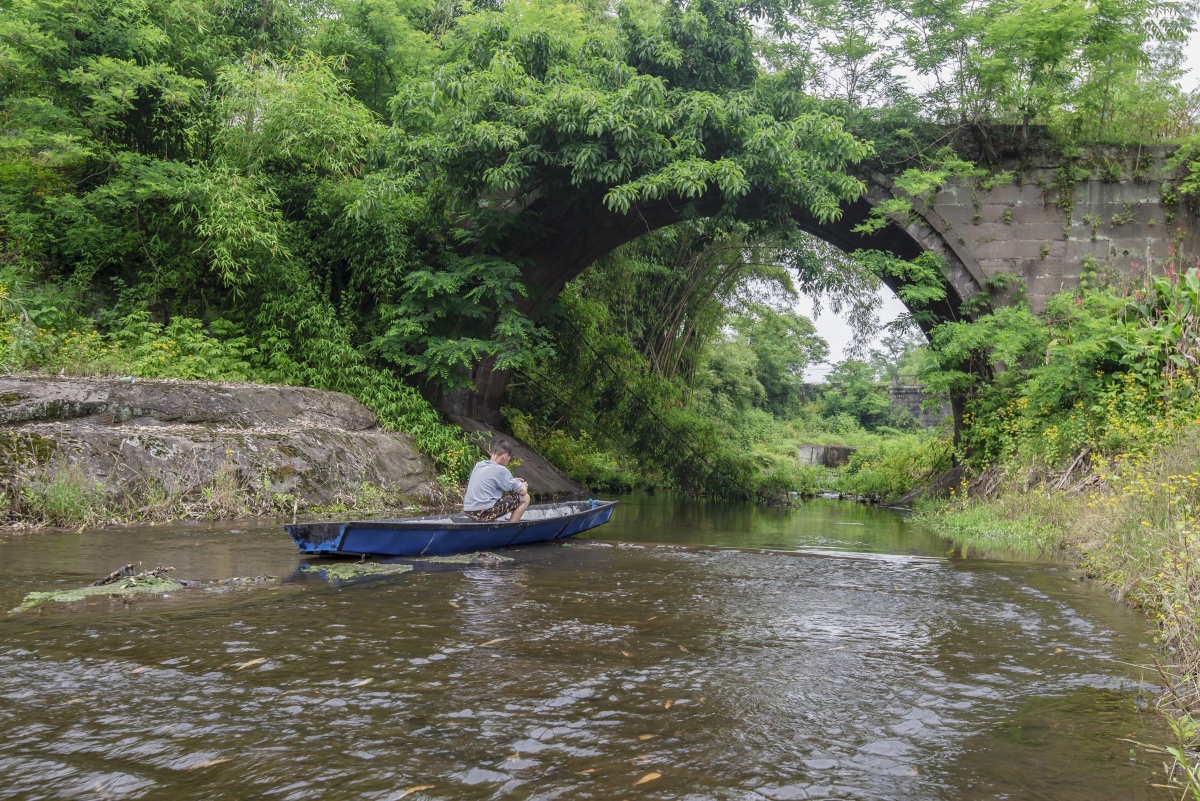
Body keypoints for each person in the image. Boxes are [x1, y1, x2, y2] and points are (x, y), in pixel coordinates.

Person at [462, 440, 530, 522]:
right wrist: (523, 485)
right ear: (505, 456)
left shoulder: (479, 465)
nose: (508, 461)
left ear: (492, 453)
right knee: (525, 497)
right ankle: (510, 528)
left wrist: (513, 480)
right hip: (483, 512)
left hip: (469, 511)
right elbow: (522, 492)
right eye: (509, 458)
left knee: (493, 503)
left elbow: (493, 479)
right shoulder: (501, 470)